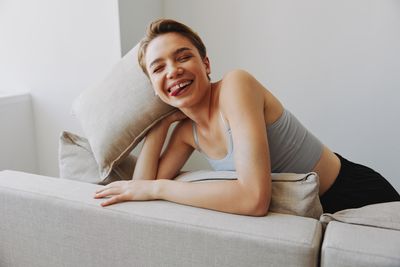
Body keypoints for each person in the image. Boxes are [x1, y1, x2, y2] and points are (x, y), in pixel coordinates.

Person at [94, 19, 400, 215]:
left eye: (183, 56)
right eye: (158, 68)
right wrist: (159, 122)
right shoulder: (186, 133)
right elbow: (140, 188)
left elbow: (254, 199)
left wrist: (159, 189)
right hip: (313, 214)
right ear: (154, 89)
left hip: (356, 194)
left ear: (206, 64)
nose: (173, 70)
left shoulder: (235, 87)